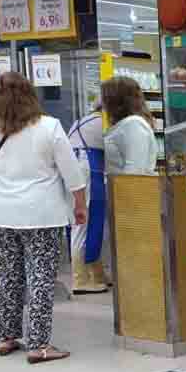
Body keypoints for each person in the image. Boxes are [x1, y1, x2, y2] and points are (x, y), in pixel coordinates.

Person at [0, 71, 86, 364]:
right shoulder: (49, 126)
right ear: (31, 95)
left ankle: (6, 337)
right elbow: (73, 173)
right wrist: (80, 205)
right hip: (40, 212)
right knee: (40, 275)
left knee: (8, 272)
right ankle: (39, 345)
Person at [67, 104, 109, 294]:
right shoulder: (102, 122)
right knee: (83, 226)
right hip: (87, 170)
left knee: (89, 225)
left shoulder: (82, 121)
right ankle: (80, 279)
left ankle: (96, 274)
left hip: (80, 169)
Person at [102, 76, 157, 176]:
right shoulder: (123, 125)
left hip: (130, 190)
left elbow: (135, 171)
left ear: (115, 100)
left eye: (104, 97)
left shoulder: (134, 125)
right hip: (118, 188)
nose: (101, 102)